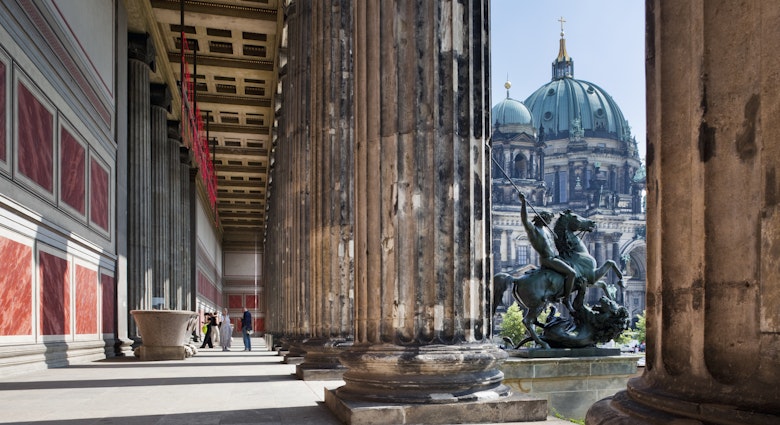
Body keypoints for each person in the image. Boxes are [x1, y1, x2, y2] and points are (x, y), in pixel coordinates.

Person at [519, 192, 579, 312]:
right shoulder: (534, 230)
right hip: (547, 259)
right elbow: (525, 220)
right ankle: (566, 299)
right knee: (572, 273)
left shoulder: (546, 231)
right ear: (543, 218)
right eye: (549, 219)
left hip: (554, 257)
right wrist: (524, 203)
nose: (550, 221)